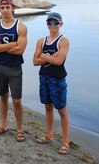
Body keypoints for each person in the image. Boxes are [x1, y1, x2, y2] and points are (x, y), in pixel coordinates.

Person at [0, 0, 28, 142]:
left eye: (7, 7)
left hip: (15, 68)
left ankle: (19, 129)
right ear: (0, 10)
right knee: (3, 97)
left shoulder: (21, 27)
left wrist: (1, 47)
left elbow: (20, 50)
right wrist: (11, 45)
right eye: (2, 8)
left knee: (16, 100)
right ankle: (3, 125)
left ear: (13, 8)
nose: (5, 11)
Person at [33, 12, 70, 155]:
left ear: (61, 24)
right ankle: (49, 135)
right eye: (50, 23)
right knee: (48, 106)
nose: (52, 25)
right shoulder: (41, 41)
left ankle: (65, 142)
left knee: (61, 110)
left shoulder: (63, 41)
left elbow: (59, 61)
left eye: (56, 23)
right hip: (44, 77)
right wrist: (50, 56)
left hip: (58, 79)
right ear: (47, 24)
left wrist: (42, 55)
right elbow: (35, 62)